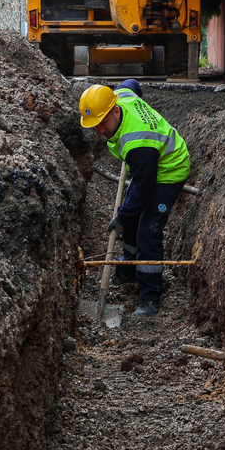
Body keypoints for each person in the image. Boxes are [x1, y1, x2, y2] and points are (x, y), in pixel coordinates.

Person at [79, 79, 190, 318]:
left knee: (148, 232)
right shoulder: (121, 95)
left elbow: (144, 188)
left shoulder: (138, 143)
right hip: (148, 167)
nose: (100, 131)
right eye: (96, 125)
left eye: (103, 123)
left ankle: (149, 296)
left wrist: (121, 217)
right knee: (131, 218)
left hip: (170, 170)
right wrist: (126, 217)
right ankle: (129, 268)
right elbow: (132, 83)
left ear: (116, 111)